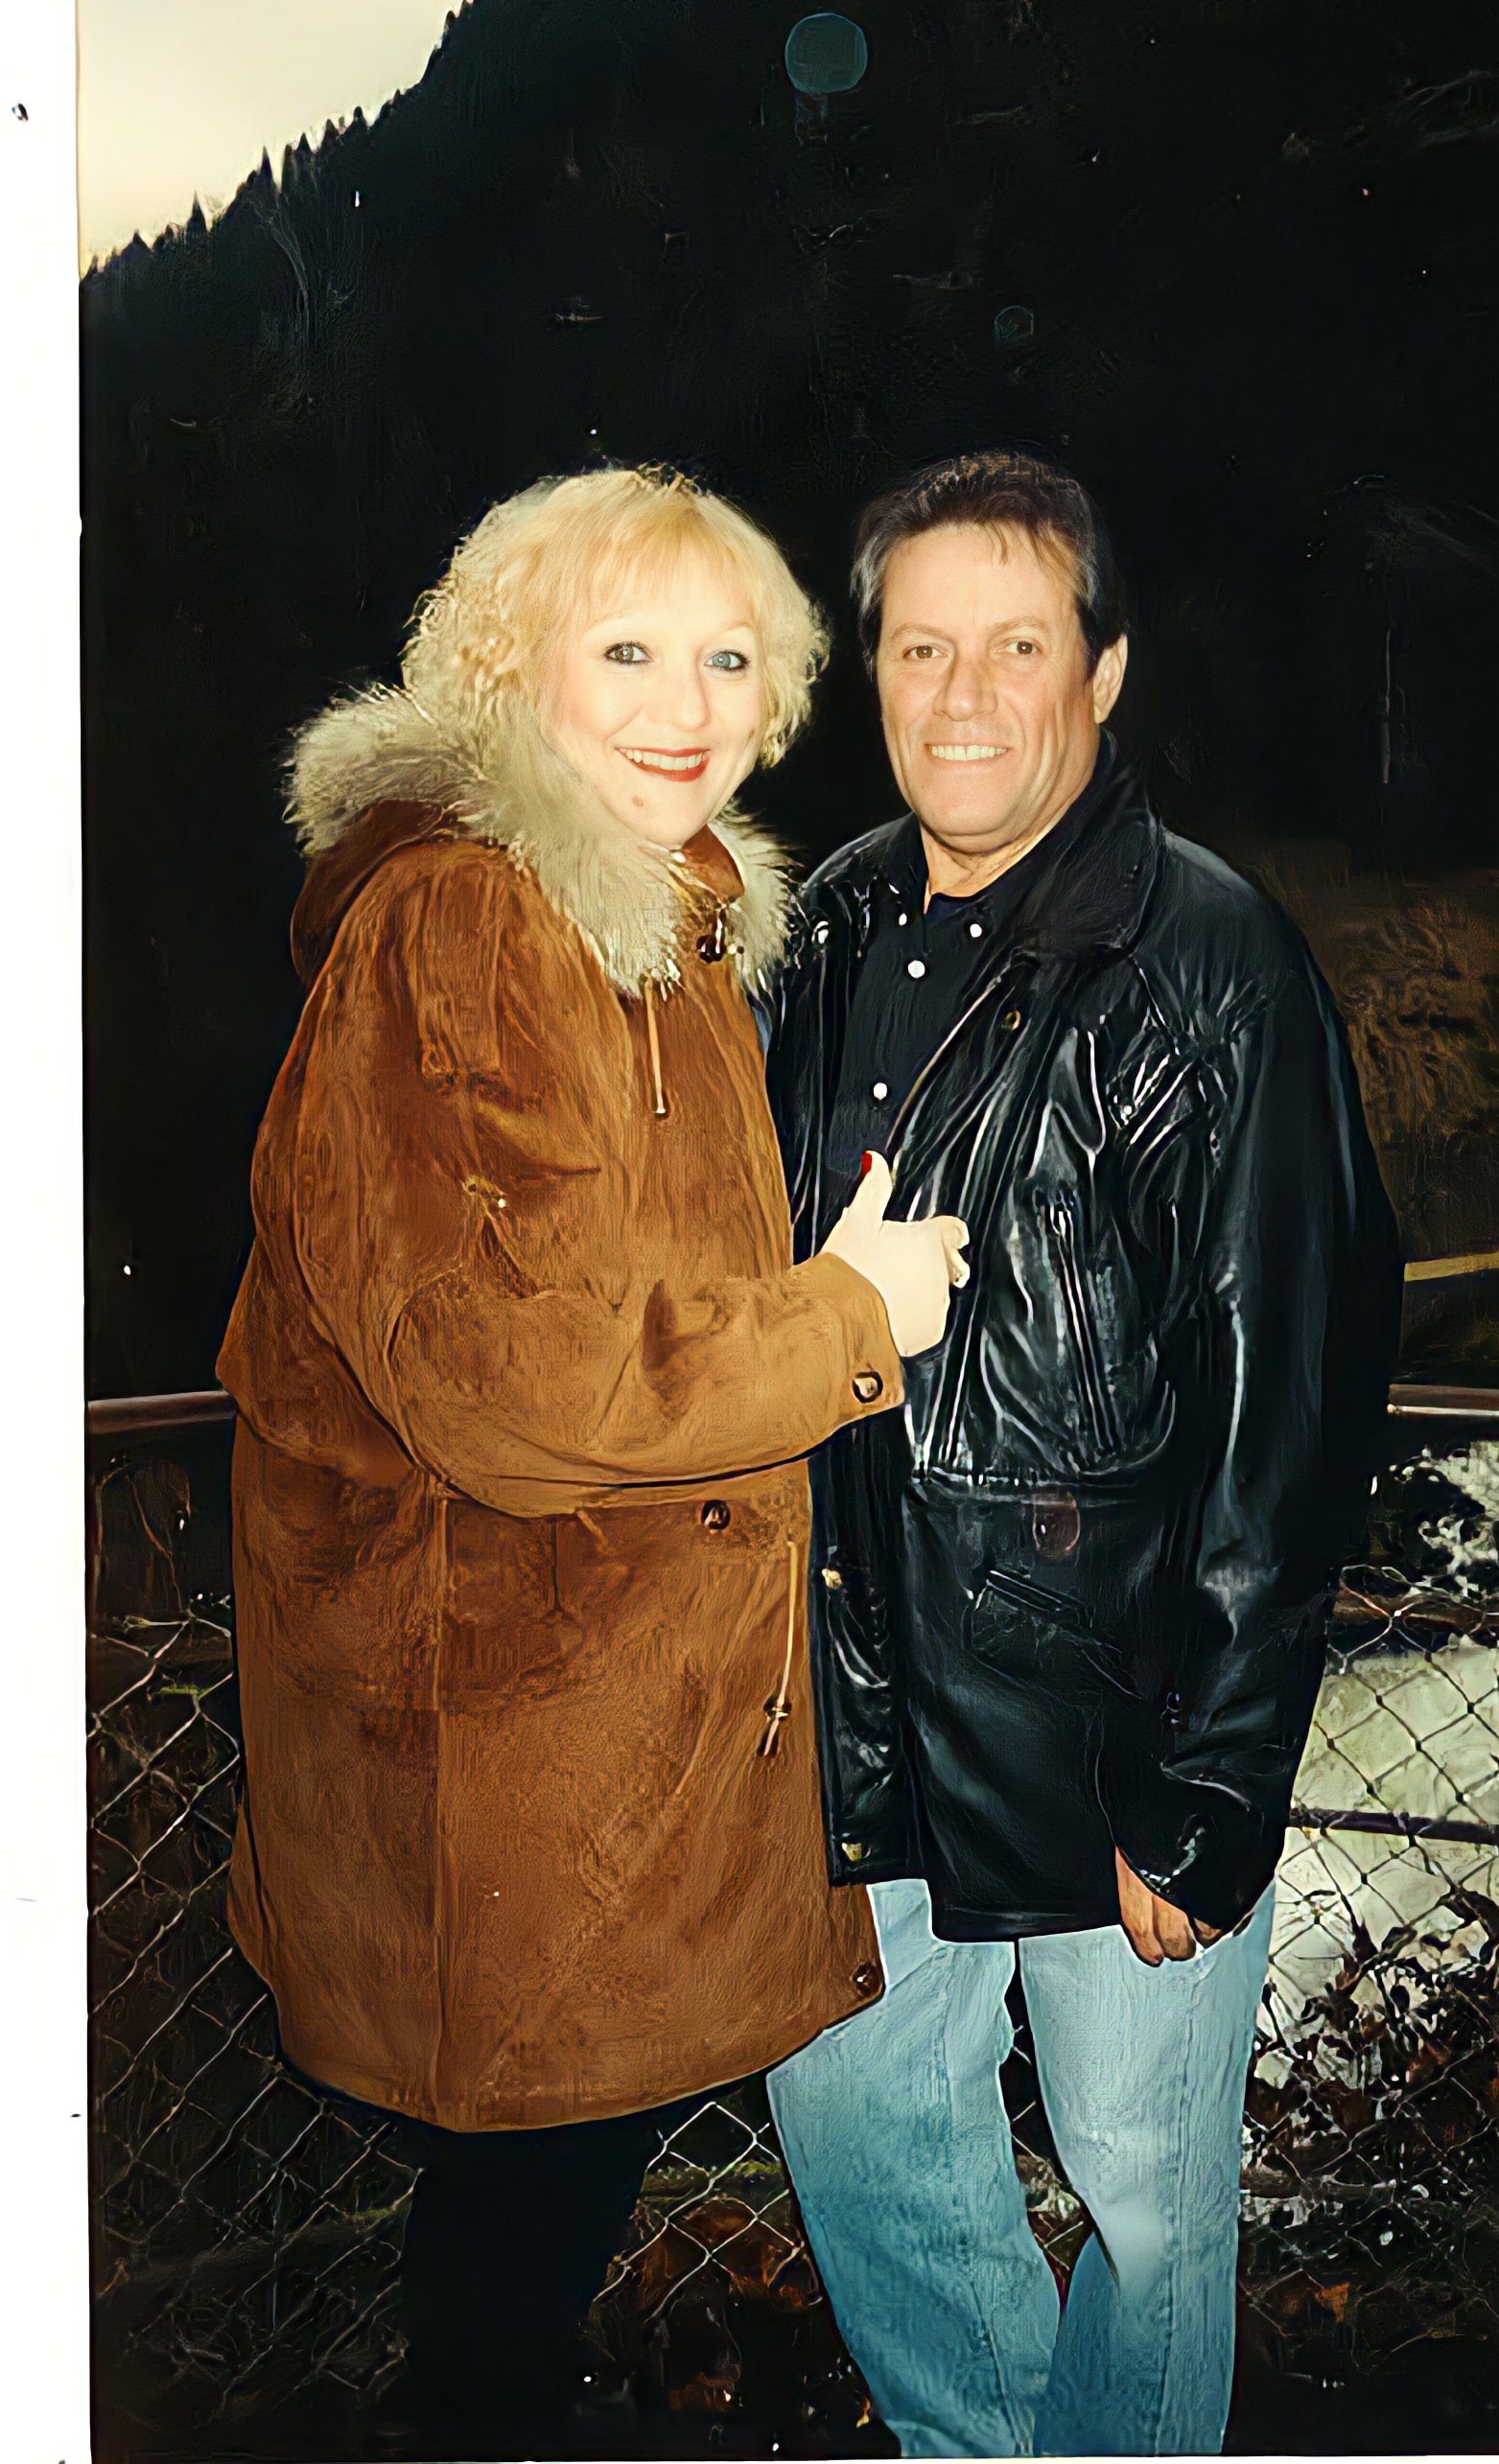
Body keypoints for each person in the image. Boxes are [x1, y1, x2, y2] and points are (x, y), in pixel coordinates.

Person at [215, 464, 967, 2454]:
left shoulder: (642, 913)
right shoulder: (476, 918)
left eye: (726, 658)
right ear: (507, 669)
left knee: (535, 2197)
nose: (684, 704)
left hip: (573, 1720)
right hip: (517, 1737)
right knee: (523, 2215)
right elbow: (516, 1378)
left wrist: (801, 1289)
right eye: (624, 650)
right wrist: (846, 1315)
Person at [763, 451, 1403, 2456]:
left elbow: (1293, 1401)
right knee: (862, 2125)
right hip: (853, 1707)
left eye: (1016, 645)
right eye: (919, 647)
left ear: (1102, 672)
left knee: (1147, 2202)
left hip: (1112, 1723)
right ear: (871, 668)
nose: (962, 694)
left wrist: (1208, 1787)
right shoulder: (820, 924)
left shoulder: (1211, 963)